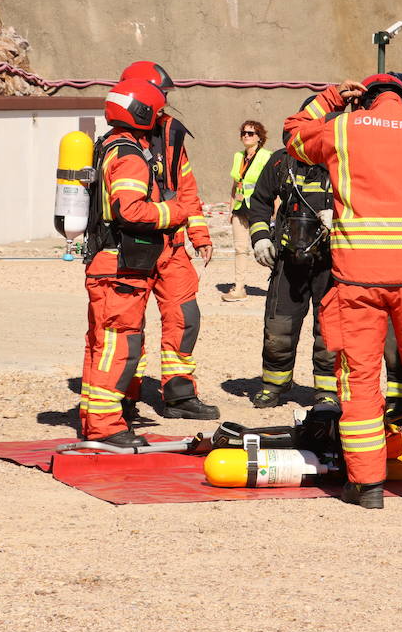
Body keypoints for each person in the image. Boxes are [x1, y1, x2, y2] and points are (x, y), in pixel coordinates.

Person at [285, 74, 402, 509]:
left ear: (364, 98)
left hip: (358, 279)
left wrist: (331, 98)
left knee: (360, 379)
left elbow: (293, 134)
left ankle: (367, 486)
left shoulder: (342, 127)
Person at [79, 78, 201, 445]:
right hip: (120, 268)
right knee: (119, 346)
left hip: (107, 264)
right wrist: (175, 211)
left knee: (101, 345)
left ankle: (94, 418)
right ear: (143, 112)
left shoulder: (109, 146)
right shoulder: (131, 156)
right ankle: (106, 427)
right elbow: (130, 210)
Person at [118, 61, 219, 420]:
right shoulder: (121, 137)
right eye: (162, 95)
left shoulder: (172, 132)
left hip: (172, 247)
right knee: (128, 324)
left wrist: (199, 233)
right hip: (133, 247)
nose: (165, 102)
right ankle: (123, 395)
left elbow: (185, 188)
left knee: (185, 317)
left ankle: (178, 394)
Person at [245, 104, 337, 409]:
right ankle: (274, 385)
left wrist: (339, 215)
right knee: (279, 327)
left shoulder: (343, 160)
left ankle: (327, 390)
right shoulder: (281, 161)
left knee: (330, 330)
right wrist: (260, 238)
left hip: (330, 260)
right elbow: (258, 201)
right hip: (287, 259)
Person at [223, 120, 271, 302]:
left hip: (259, 207)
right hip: (240, 208)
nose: (246, 136)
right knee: (240, 249)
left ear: (259, 137)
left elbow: (272, 185)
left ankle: (279, 286)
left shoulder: (266, 156)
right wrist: (230, 209)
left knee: (267, 247)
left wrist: (275, 211)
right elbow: (235, 184)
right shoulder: (238, 156)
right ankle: (239, 287)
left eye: (250, 133)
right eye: (244, 133)